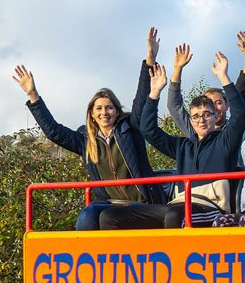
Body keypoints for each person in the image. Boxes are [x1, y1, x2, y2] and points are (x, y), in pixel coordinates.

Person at [13, 28, 166, 230]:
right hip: (109, 204)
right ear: (92, 114)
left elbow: (140, 100)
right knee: (88, 213)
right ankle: (84, 259)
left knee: (106, 219)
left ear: (117, 111)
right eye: (99, 109)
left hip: (143, 204)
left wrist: (150, 59)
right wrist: (33, 95)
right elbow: (54, 132)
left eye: (109, 108)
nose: (105, 113)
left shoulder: (130, 128)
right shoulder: (86, 140)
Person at [99, 52, 245, 229]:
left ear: (215, 116)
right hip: (177, 205)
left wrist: (224, 77)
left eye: (206, 114)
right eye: (196, 116)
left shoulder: (225, 142)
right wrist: (154, 93)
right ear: (191, 120)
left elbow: (240, 115)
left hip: (210, 208)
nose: (201, 120)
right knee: (109, 217)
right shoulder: (182, 146)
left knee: (173, 216)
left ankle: (175, 256)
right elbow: (148, 130)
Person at [166, 42, 235, 138]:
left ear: (227, 105)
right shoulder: (196, 131)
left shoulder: (236, 131)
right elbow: (174, 106)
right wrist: (177, 69)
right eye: (210, 104)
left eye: (218, 102)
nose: (214, 107)